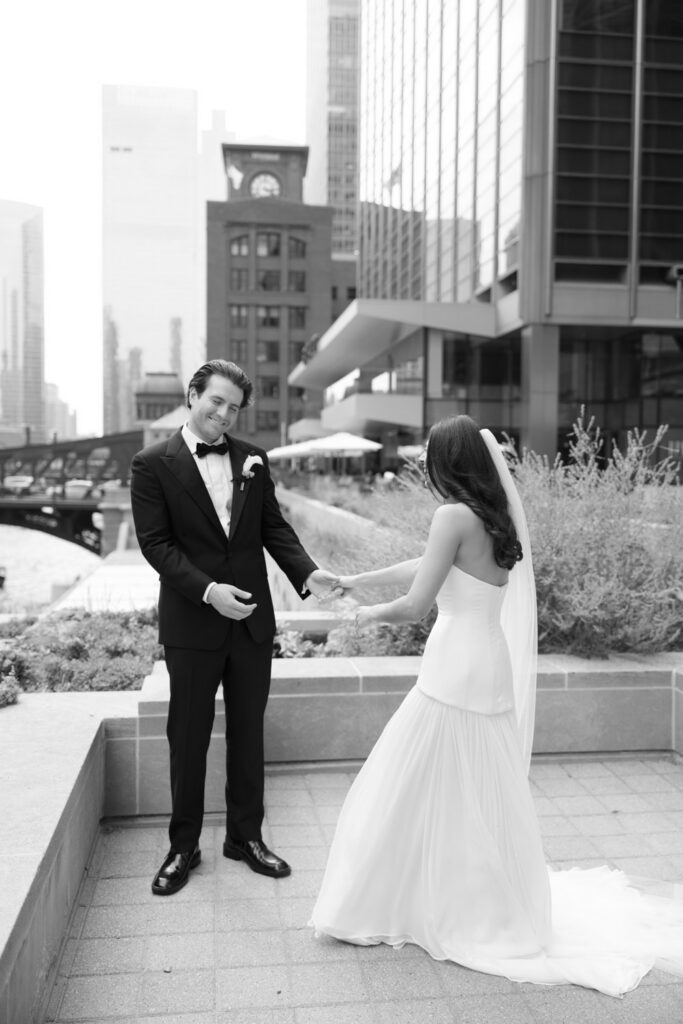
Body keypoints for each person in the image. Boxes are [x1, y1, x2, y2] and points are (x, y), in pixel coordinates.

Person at [310, 414, 683, 997]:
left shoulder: (451, 515)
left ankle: (397, 901)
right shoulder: (491, 515)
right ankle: (477, 897)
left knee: (406, 782)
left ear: (445, 462)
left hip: (453, 670)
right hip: (488, 666)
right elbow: (427, 566)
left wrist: (362, 613)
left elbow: (415, 604)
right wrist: (357, 580)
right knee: (478, 789)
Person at [131, 359, 340, 897]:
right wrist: (208, 592)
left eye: (233, 408)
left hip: (251, 623)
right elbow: (157, 546)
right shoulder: (151, 464)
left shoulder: (253, 460)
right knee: (189, 736)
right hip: (193, 623)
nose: (224, 415)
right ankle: (184, 846)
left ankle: (246, 838)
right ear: (193, 394)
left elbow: (273, 527)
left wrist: (309, 574)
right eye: (216, 402)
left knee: (249, 733)